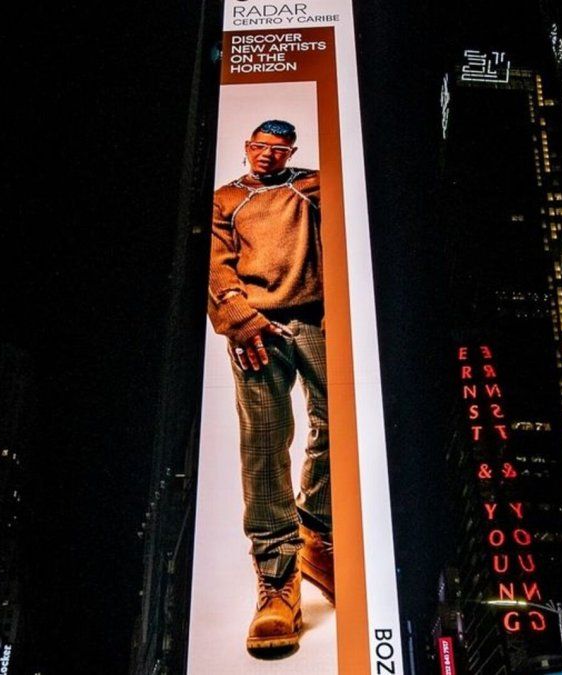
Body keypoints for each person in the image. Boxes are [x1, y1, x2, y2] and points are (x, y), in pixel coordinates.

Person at [208, 119, 335, 653]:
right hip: (257, 326)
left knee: (337, 428)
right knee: (264, 442)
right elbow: (215, 263)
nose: (266, 155)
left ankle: (317, 533)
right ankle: (279, 578)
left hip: (318, 319)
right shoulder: (227, 199)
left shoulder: (310, 185)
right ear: (246, 148)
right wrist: (237, 316)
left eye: (278, 149)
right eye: (259, 147)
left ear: (292, 153)